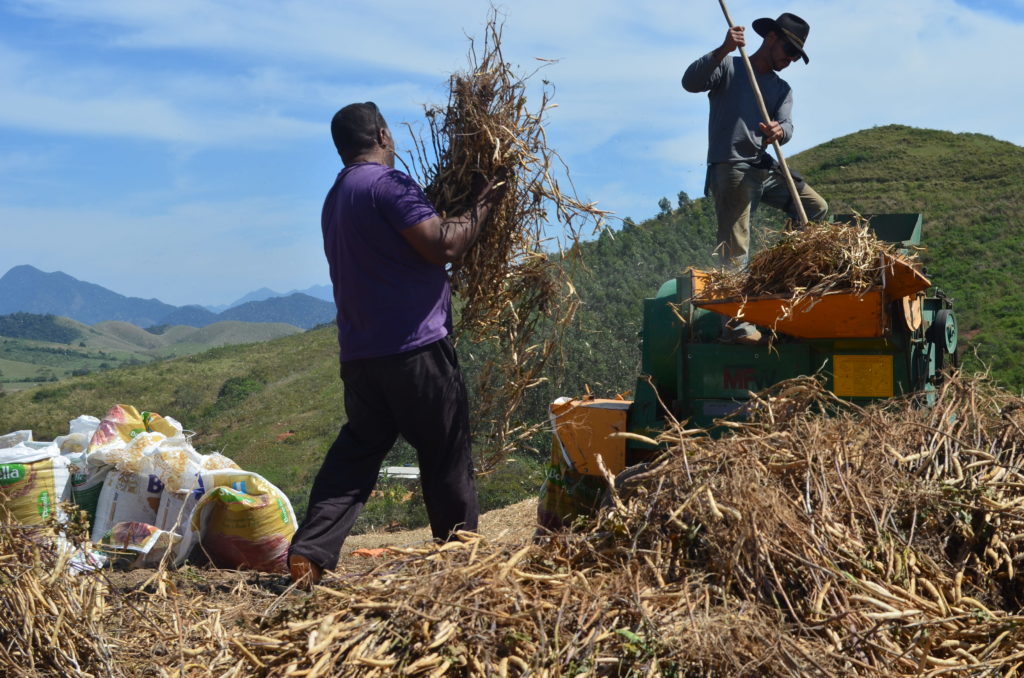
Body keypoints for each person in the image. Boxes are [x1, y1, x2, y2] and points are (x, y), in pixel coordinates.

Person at [287, 102, 505, 589]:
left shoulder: (335, 196)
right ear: (383, 135)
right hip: (415, 349)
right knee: (445, 451)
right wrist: (483, 203)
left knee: (358, 452)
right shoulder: (388, 185)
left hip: (361, 355)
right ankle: (460, 563)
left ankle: (309, 553)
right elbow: (442, 244)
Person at [683, 12, 828, 343]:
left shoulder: (781, 88)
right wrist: (722, 49)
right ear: (771, 38)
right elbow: (690, 82)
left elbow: (787, 125)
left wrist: (780, 130)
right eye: (789, 52)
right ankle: (735, 324)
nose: (790, 61)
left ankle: (781, 276)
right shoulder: (731, 68)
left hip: (766, 167)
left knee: (815, 208)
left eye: (796, 57)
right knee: (736, 247)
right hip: (732, 167)